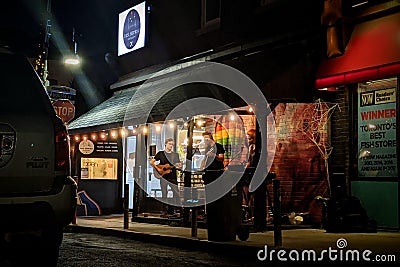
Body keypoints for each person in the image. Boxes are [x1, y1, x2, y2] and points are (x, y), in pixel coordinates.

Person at [150, 138, 182, 217]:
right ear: (166, 144)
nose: (171, 146)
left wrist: (179, 165)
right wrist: (158, 169)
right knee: (164, 193)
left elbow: (178, 164)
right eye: (169, 144)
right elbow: (152, 162)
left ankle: (174, 210)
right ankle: (164, 210)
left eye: (172, 144)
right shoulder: (160, 154)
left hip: (173, 176)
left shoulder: (175, 155)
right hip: (163, 177)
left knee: (176, 193)